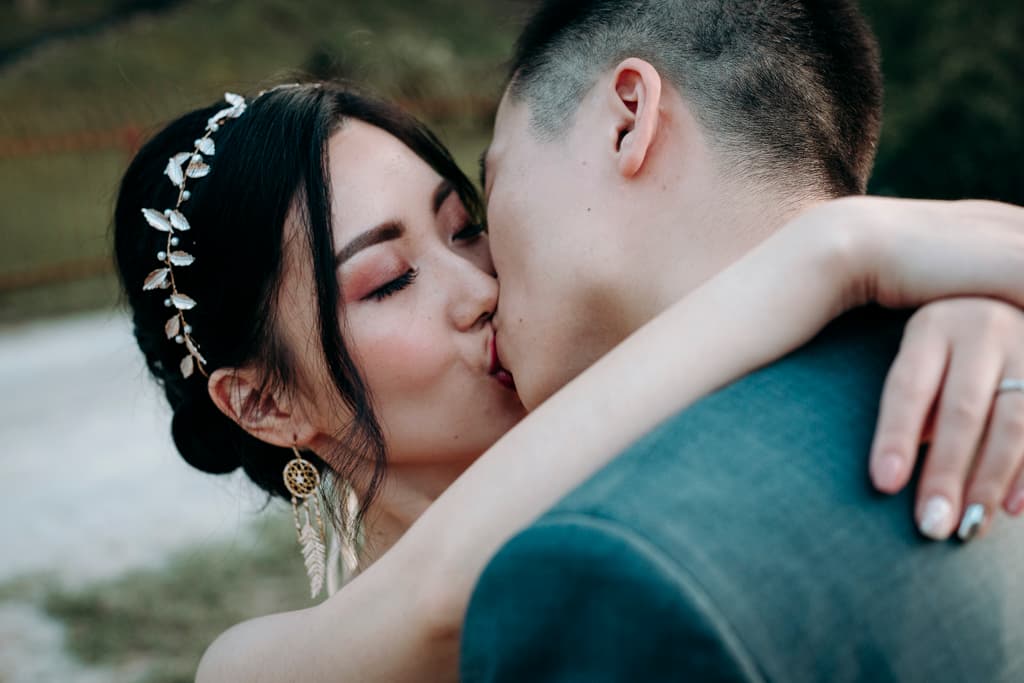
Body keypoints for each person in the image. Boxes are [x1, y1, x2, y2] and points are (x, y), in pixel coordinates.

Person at [110, 84, 1024, 681]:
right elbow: (442, 597)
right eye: (388, 279)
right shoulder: (255, 665)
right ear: (266, 403)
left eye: (465, 227)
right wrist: (836, 249)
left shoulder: (667, 442)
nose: (480, 289)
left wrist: (951, 319)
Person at [459, 1, 1024, 680]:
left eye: (492, 180)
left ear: (627, 120)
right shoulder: (986, 376)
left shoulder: (609, 569)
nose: (482, 269)